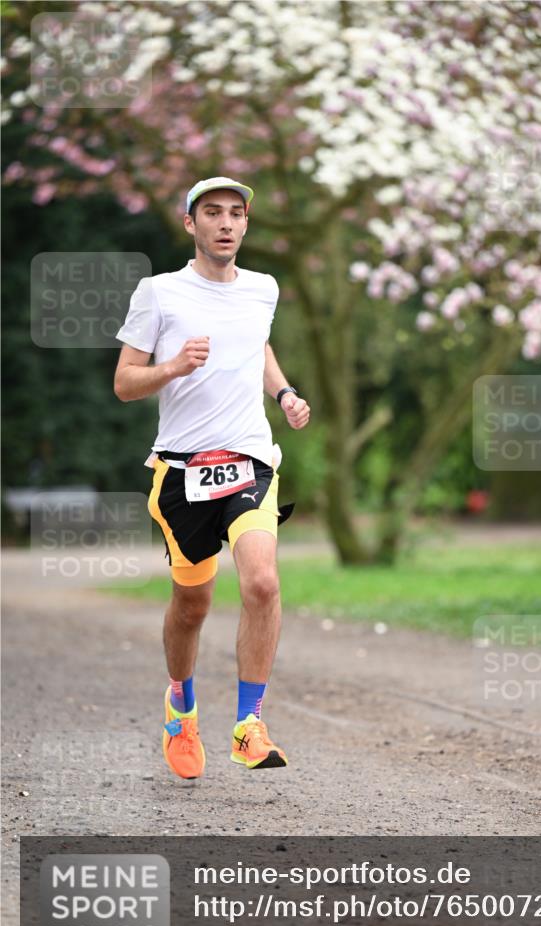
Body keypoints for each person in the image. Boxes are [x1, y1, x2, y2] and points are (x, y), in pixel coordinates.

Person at [113, 176, 310, 779]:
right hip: (182, 472)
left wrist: (284, 392)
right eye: (211, 213)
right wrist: (174, 366)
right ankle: (182, 703)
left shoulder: (263, 289)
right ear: (190, 224)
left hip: (250, 457)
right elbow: (125, 382)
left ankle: (249, 725)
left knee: (262, 583)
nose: (225, 223)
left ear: (246, 224)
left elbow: (257, 346)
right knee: (192, 603)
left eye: (235, 214)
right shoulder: (160, 293)